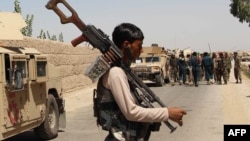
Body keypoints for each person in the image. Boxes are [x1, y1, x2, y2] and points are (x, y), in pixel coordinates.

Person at [94, 23, 187, 141]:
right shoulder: (116, 73)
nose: (141, 50)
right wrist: (167, 113)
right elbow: (131, 112)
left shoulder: (121, 70)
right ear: (126, 45)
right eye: (139, 45)